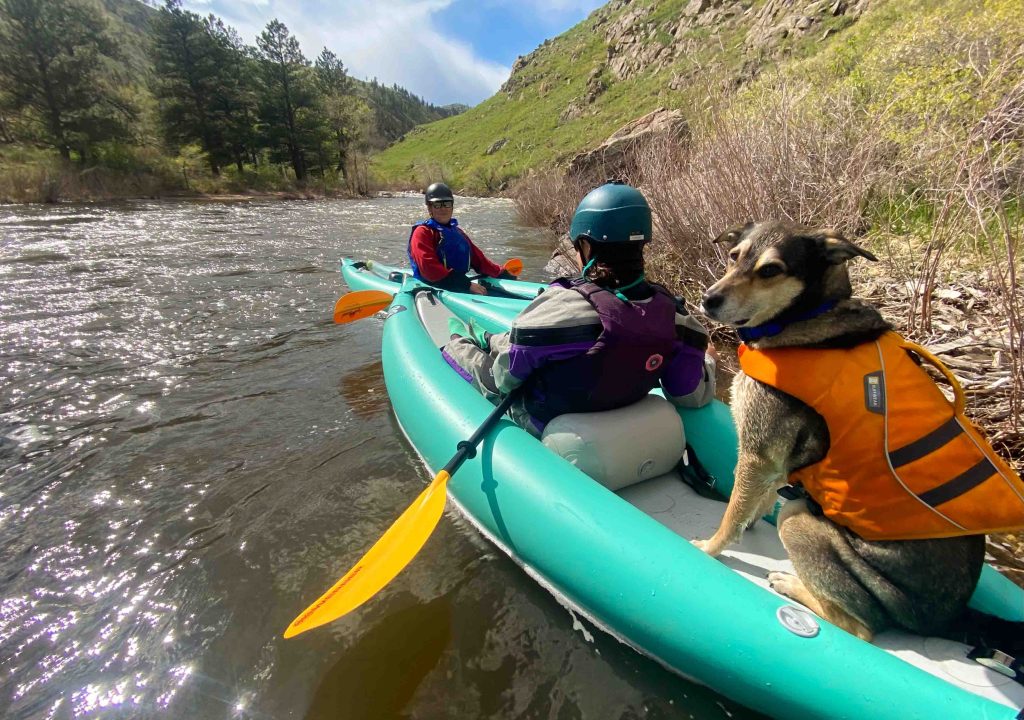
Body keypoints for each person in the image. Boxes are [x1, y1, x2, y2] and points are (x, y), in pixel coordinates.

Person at [442, 181, 717, 435]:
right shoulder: (679, 320)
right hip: (619, 415)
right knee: (512, 345)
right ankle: (490, 339)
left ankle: (461, 340)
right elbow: (689, 394)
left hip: (545, 421)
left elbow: (504, 379)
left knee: (462, 350)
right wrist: (708, 361)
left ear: (585, 246)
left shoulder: (560, 309)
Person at [408, 182, 516, 294]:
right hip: (431, 288)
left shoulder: (457, 232)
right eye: (437, 205)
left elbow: (479, 260)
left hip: (457, 284)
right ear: (430, 208)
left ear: (452, 206)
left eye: (447, 204)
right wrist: (466, 284)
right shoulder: (422, 233)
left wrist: (502, 273)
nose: (443, 209)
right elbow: (429, 269)